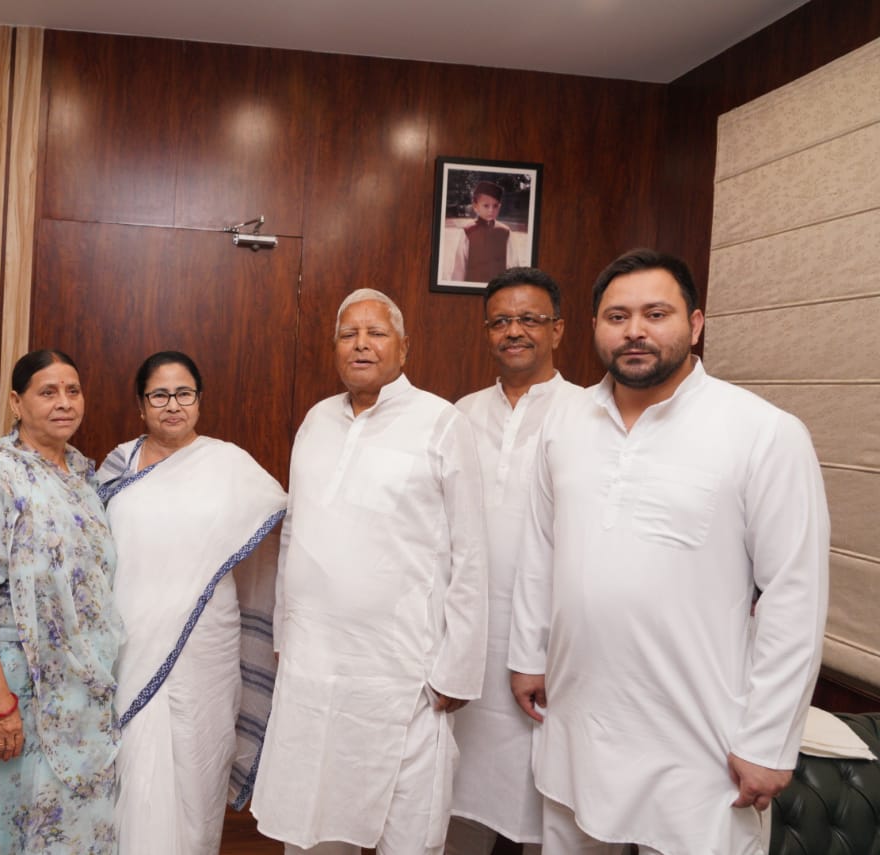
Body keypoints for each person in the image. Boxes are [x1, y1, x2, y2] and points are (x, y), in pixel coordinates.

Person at [508, 249, 830, 855]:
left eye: (656, 314)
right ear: (594, 328)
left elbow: (796, 593)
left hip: (699, 741)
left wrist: (767, 742)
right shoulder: (565, 422)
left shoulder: (763, 432)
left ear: (696, 324)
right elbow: (540, 547)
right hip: (579, 721)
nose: (635, 331)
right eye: (617, 316)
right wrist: (528, 655)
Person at [252, 288, 489, 855]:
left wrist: (457, 669)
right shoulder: (317, 420)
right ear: (334, 348)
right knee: (312, 818)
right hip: (314, 664)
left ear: (404, 348)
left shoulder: (441, 422)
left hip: (402, 671)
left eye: (376, 333)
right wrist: (285, 632)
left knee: (406, 832)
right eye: (348, 334)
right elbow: (296, 535)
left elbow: (472, 551)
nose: (361, 344)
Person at [0, 349, 122, 854]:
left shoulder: (82, 476)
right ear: (16, 403)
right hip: (11, 683)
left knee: (70, 827)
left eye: (73, 391)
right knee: (6, 822)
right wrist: (0, 704)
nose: (64, 403)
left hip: (78, 689)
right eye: (48, 392)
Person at [97, 350, 287, 854]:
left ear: (199, 400)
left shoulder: (231, 467)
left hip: (206, 643)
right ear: (141, 405)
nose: (173, 405)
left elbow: (278, 539)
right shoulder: (118, 466)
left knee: (198, 763)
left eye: (184, 393)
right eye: (159, 395)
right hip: (130, 640)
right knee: (135, 765)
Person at [446, 267, 584, 855]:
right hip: (474, 633)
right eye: (500, 321)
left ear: (558, 329)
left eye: (529, 319)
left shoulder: (588, 414)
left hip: (555, 639)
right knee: (459, 793)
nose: (514, 331)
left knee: (552, 798)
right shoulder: (460, 414)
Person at [442, 181, 529, 283]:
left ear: (499, 206)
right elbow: (459, 268)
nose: (491, 210)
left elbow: (513, 266)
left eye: (495, 206)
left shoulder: (505, 232)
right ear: (475, 206)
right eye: (486, 206)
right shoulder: (468, 232)